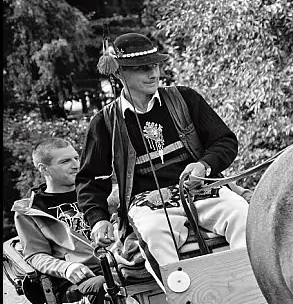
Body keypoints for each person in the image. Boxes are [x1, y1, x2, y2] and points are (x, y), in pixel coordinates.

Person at [76, 32, 249, 289]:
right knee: (155, 235)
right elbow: (91, 179)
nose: (153, 73)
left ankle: (251, 290)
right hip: (147, 205)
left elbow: (224, 141)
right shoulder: (105, 122)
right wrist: (99, 218)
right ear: (119, 73)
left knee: (242, 214)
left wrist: (203, 165)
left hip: (203, 190)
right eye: (142, 68)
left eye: (155, 65)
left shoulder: (185, 98)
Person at [12, 138, 106, 304]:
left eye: (76, 157)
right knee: (102, 286)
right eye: (65, 161)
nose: (76, 165)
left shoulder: (98, 191)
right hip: (77, 282)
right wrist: (67, 268)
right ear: (43, 169)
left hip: (117, 264)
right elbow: (35, 255)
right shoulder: (30, 211)